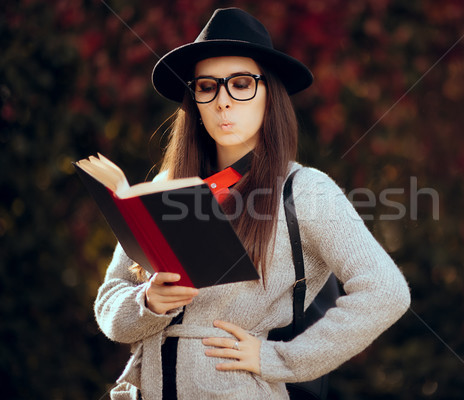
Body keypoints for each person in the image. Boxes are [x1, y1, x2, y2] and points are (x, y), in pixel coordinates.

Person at [95, 7, 410, 400]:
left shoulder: (304, 190)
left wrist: (281, 358)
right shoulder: (164, 188)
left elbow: (387, 292)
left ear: (269, 94)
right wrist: (148, 302)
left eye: (241, 84)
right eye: (207, 86)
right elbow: (111, 302)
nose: (223, 101)